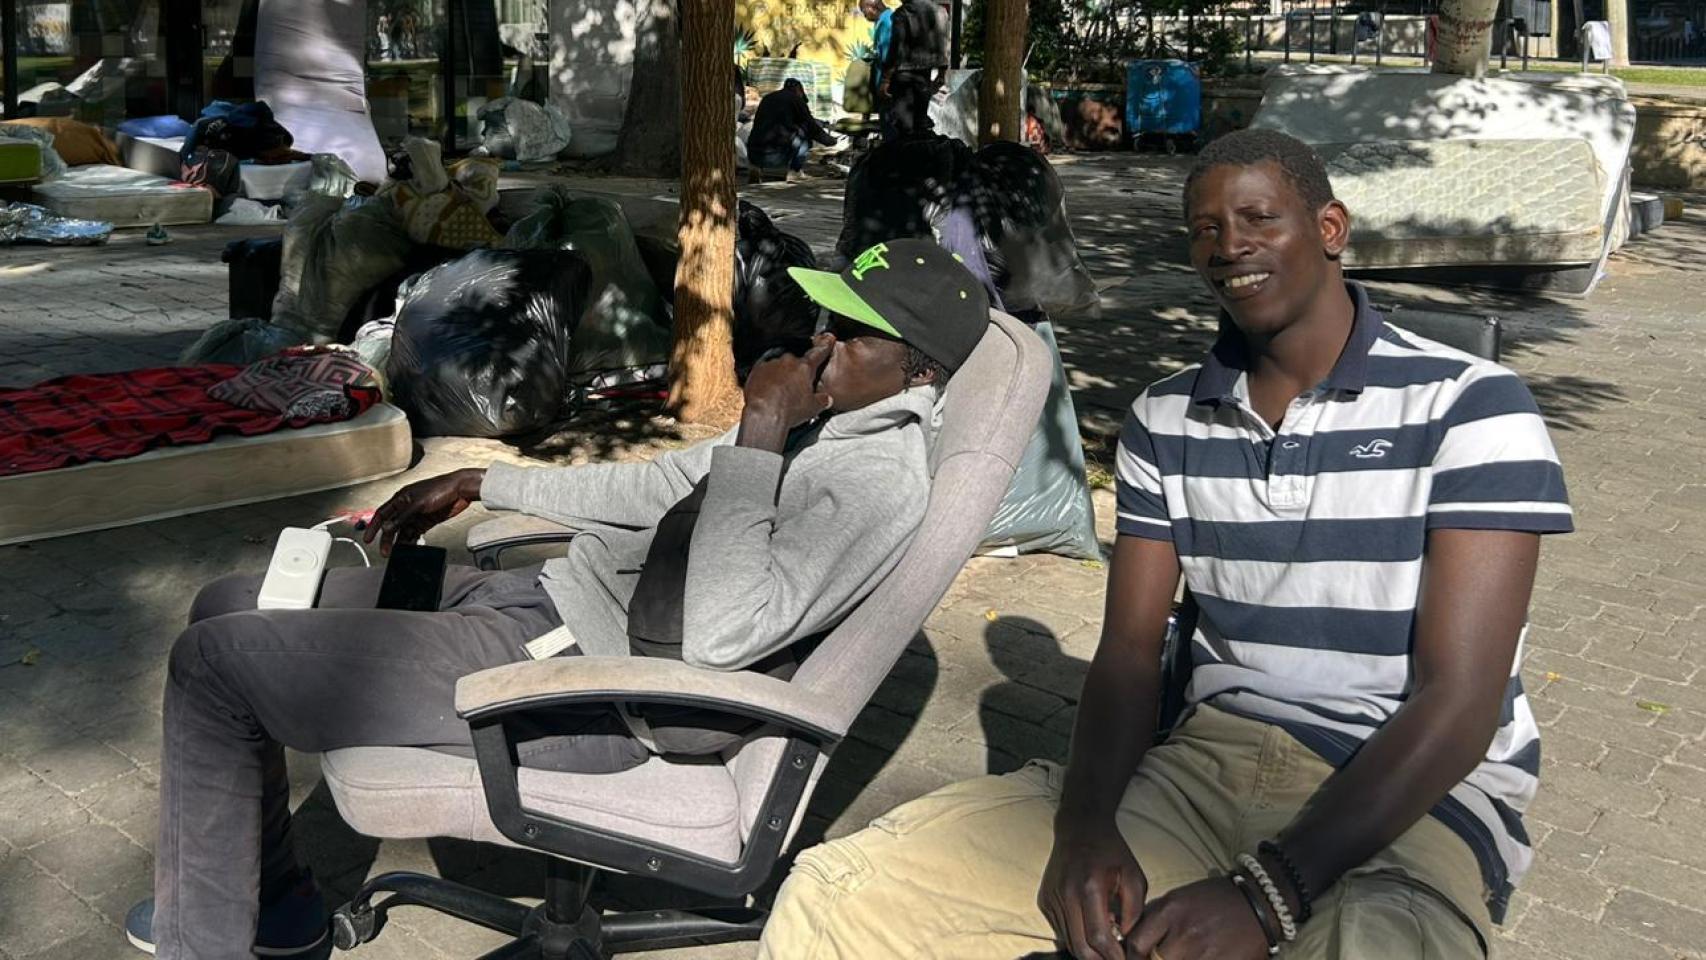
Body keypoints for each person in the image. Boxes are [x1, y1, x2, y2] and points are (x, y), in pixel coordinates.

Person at [758, 127, 1573, 959]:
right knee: (842, 901)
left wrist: (1269, 895)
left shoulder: (1472, 407)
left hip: (1408, 798)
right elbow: (1129, 653)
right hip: (1204, 770)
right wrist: (1083, 829)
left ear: (1331, 228)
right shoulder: (1164, 420)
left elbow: (1461, 701)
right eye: (1206, 228)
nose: (1231, 246)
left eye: (1260, 217)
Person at [126, 238, 995, 960]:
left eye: (850, 332)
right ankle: (274, 908)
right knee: (228, 603)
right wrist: (487, 479)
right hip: (540, 600)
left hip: (583, 685)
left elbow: (729, 632)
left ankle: (205, 943)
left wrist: (760, 436)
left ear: (918, 370)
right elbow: (658, 486)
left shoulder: (874, 483)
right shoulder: (824, 418)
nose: (817, 343)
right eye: (825, 318)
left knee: (213, 665)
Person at [880, 0, 950, 139]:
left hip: (903, 77)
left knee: (903, 129)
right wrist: (942, 73)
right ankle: (919, 157)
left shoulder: (903, 13)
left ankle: (906, 157)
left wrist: (885, 79)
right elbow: (943, 45)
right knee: (919, 125)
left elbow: (896, 49)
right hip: (924, 76)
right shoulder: (940, 12)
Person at [748, 78, 836, 174]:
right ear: (799, 89)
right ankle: (795, 172)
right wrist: (829, 141)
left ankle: (756, 168)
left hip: (754, 151)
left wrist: (822, 124)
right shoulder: (795, 99)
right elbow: (810, 125)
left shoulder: (768, 98)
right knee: (805, 140)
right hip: (777, 154)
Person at [859, 0, 895, 134]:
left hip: (888, 86)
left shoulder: (887, 23)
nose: (865, 16)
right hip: (883, 83)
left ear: (872, 7)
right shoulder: (882, 22)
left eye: (864, 12)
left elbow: (888, 56)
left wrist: (886, 81)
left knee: (889, 129)